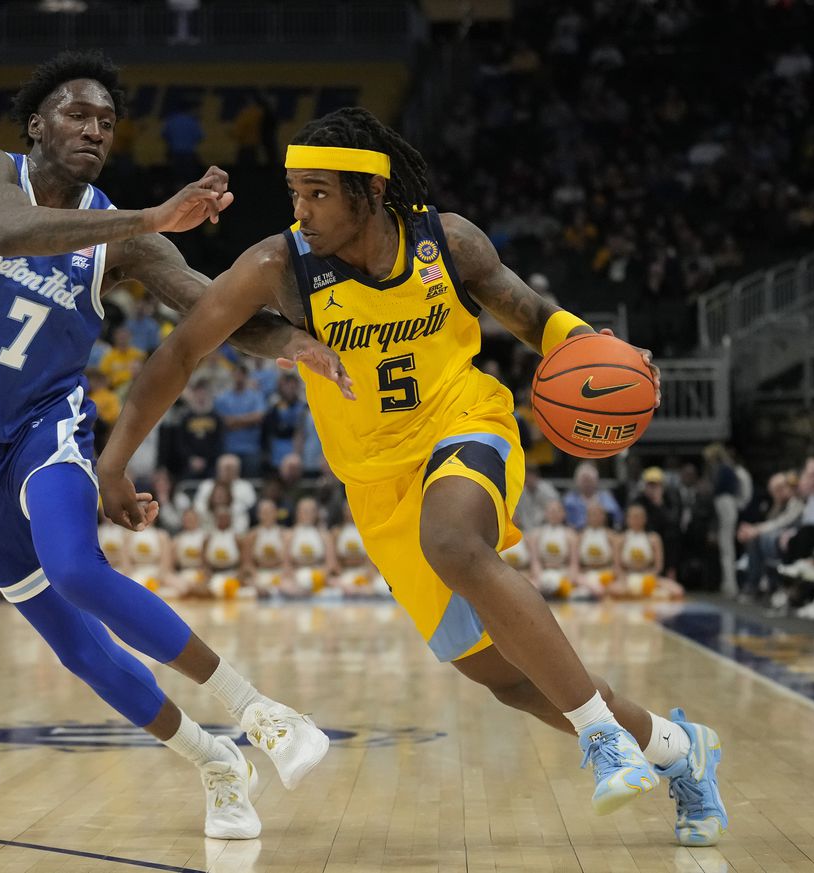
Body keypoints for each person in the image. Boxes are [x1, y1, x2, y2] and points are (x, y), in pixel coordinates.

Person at [99, 107, 727, 846]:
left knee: (454, 540)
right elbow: (181, 354)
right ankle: (679, 749)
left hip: (464, 420)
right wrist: (115, 458)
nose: (299, 210)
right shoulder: (279, 264)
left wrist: (597, 349)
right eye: (294, 193)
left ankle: (599, 738)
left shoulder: (447, 241)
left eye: (317, 193)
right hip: (374, 477)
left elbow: (531, 314)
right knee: (507, 676)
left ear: (370, 190)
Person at [0, 51, 333, 839]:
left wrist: (292, 345)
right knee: (76, 648)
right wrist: (150, 217)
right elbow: (9, 232)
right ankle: (216, 761)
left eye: (107, 121)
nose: (95, 129)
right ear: (38, 124)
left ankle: (262, 711)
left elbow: (213, 312)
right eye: (78, 114)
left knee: (77, 567)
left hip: (48, 421)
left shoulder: (124, 243)